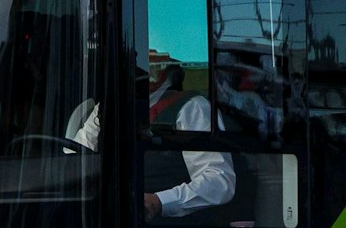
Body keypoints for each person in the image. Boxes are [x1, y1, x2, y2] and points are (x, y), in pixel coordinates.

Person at [69, 50, 235, 219]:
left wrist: (159, 201)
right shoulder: (106, 108)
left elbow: (219, 181)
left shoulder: (193, 107)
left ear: (165, 72)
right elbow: (74, 156)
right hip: (104, 218)